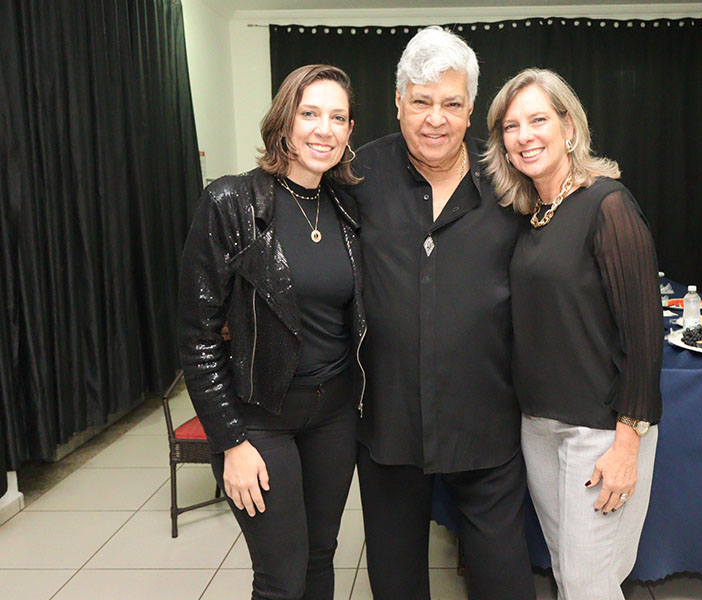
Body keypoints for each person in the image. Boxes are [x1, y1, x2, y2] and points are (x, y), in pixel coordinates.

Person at [349, 27, 537, 599]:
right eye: (422, 102)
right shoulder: (356, 176)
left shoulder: (510, 178)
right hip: (389, 426)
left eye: (452, 104)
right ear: (398, 101)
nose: (436, 119)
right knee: (396, 583)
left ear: (471, 109)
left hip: (486, 425)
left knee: (505, 582)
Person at [178, 64, 364, 600]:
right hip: (259, 421)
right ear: (284, 122)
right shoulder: (230, 203)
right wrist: (229, 440)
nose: (324, 129)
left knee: (320, 557)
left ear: (350, 131)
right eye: (310, 114)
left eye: (338, 117)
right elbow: (197, 336)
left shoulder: (347, 207)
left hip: (334, 416)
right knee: (281, 576)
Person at [484, 68, 663, 600]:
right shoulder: (531, 215)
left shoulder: (608, 205)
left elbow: (644, 335)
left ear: (568, 127)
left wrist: (627, 443)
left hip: (600, 432)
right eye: (511, 127)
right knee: (570, 574)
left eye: (538, 120)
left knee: (587, 585)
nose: (524, 136)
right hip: (538, 426)